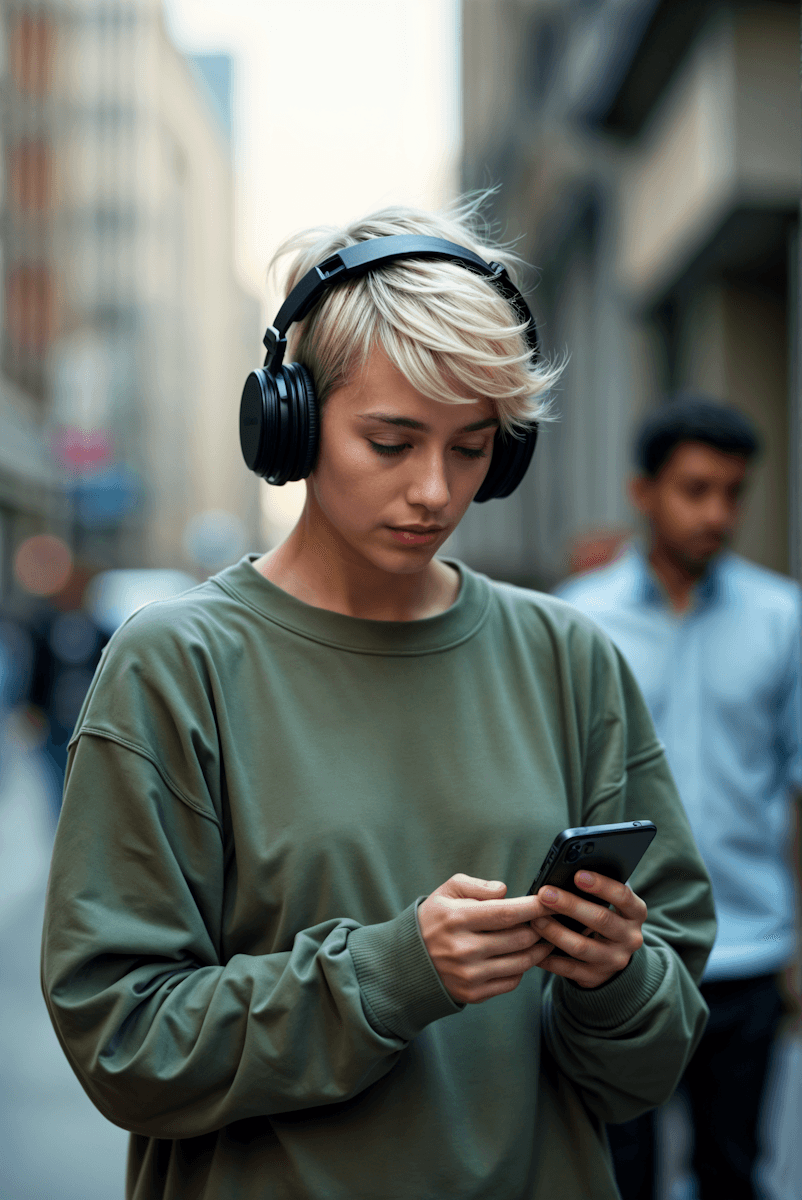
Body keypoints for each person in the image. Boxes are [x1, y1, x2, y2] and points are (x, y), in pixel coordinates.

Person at [41, 203, 715, 1200]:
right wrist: (390, 975)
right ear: (291, 421)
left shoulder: (569, 659)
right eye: (391, 442)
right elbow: (122, 1039)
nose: (435, 491)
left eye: (471, 447)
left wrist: (616, 978)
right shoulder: (176, 666)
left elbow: (648, 1063)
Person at [557, 396, 802, 1200]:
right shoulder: (577, 620)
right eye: (696, 490)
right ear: (644, 492)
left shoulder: (782, 619)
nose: (717, 514)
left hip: (749, 948)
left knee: (734, 1173)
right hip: (619, 952)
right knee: (617, 1174)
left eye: (733, 492)